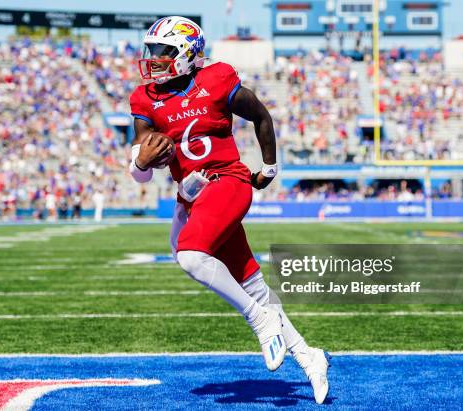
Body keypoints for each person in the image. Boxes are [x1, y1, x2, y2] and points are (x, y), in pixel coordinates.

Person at [128, 16, 329, 404]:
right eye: (151, 51)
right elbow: (140, 167)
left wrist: (268, 167)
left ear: (187, 54)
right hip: (192, 193)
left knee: (190, 254)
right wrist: (140, 163)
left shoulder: (216, 79)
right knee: (252, 283)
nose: (153, 60)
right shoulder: (145, 99)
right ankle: (309, 356)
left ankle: (259, 319)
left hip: (229, 180)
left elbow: (261, 115)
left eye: (162, 52)